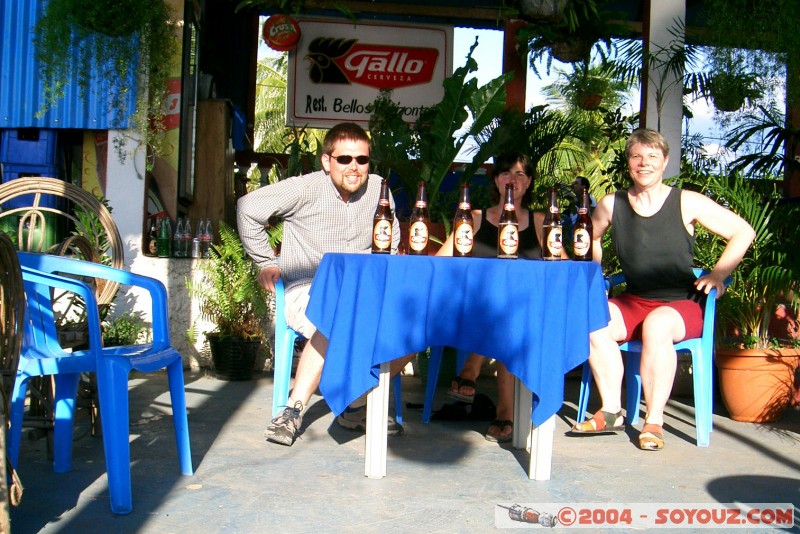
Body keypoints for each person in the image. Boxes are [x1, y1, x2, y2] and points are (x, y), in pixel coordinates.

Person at [570, 128, 755, 450]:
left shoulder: (686, 201)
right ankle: (611, 409)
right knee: (594, 318)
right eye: (637, 156)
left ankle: (653, 420)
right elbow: (591, 237)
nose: (644, 163)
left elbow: (743, 231)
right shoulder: (612, 204)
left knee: (656, 325)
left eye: (652, 157)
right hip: (634, 300)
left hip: (682, 303)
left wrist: (719, 273)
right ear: (628, 162)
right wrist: (594, 276)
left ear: (665, 161)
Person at [237, 122, 412, 446]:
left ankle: (355, 404)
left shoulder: (379, 189)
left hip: (365, 293)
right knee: (335, 314)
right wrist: (265, 261)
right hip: (308, 289)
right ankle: (293, 410)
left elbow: (391, 242)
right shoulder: (304, 188)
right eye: (344, 159)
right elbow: (248, 208)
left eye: (362, 159)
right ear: (327, 161)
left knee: (414, 328)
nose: (354, 167)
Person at [437, 152, 566, 443]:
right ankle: (505, 410)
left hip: (529, 313)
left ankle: (473, 365)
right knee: (505, 311)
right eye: (506, 173)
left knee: (512, 311)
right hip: (474, 310)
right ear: (496, 180)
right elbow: (441, 260)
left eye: (520, 174)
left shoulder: (542, 221)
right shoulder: (474, 218)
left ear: (529, 182)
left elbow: (564, 268)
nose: (513, 180)